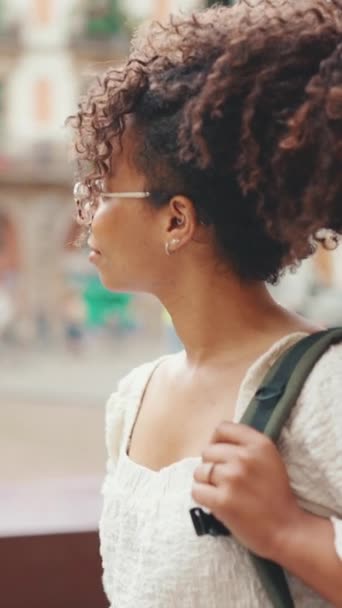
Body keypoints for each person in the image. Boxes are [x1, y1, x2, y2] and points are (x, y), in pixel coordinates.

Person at [68, 1, 342, 605]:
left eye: (102, 187)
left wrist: (289, 534)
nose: (88, 212)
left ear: (176, 218)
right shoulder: (131, 400)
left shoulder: (326, 391)